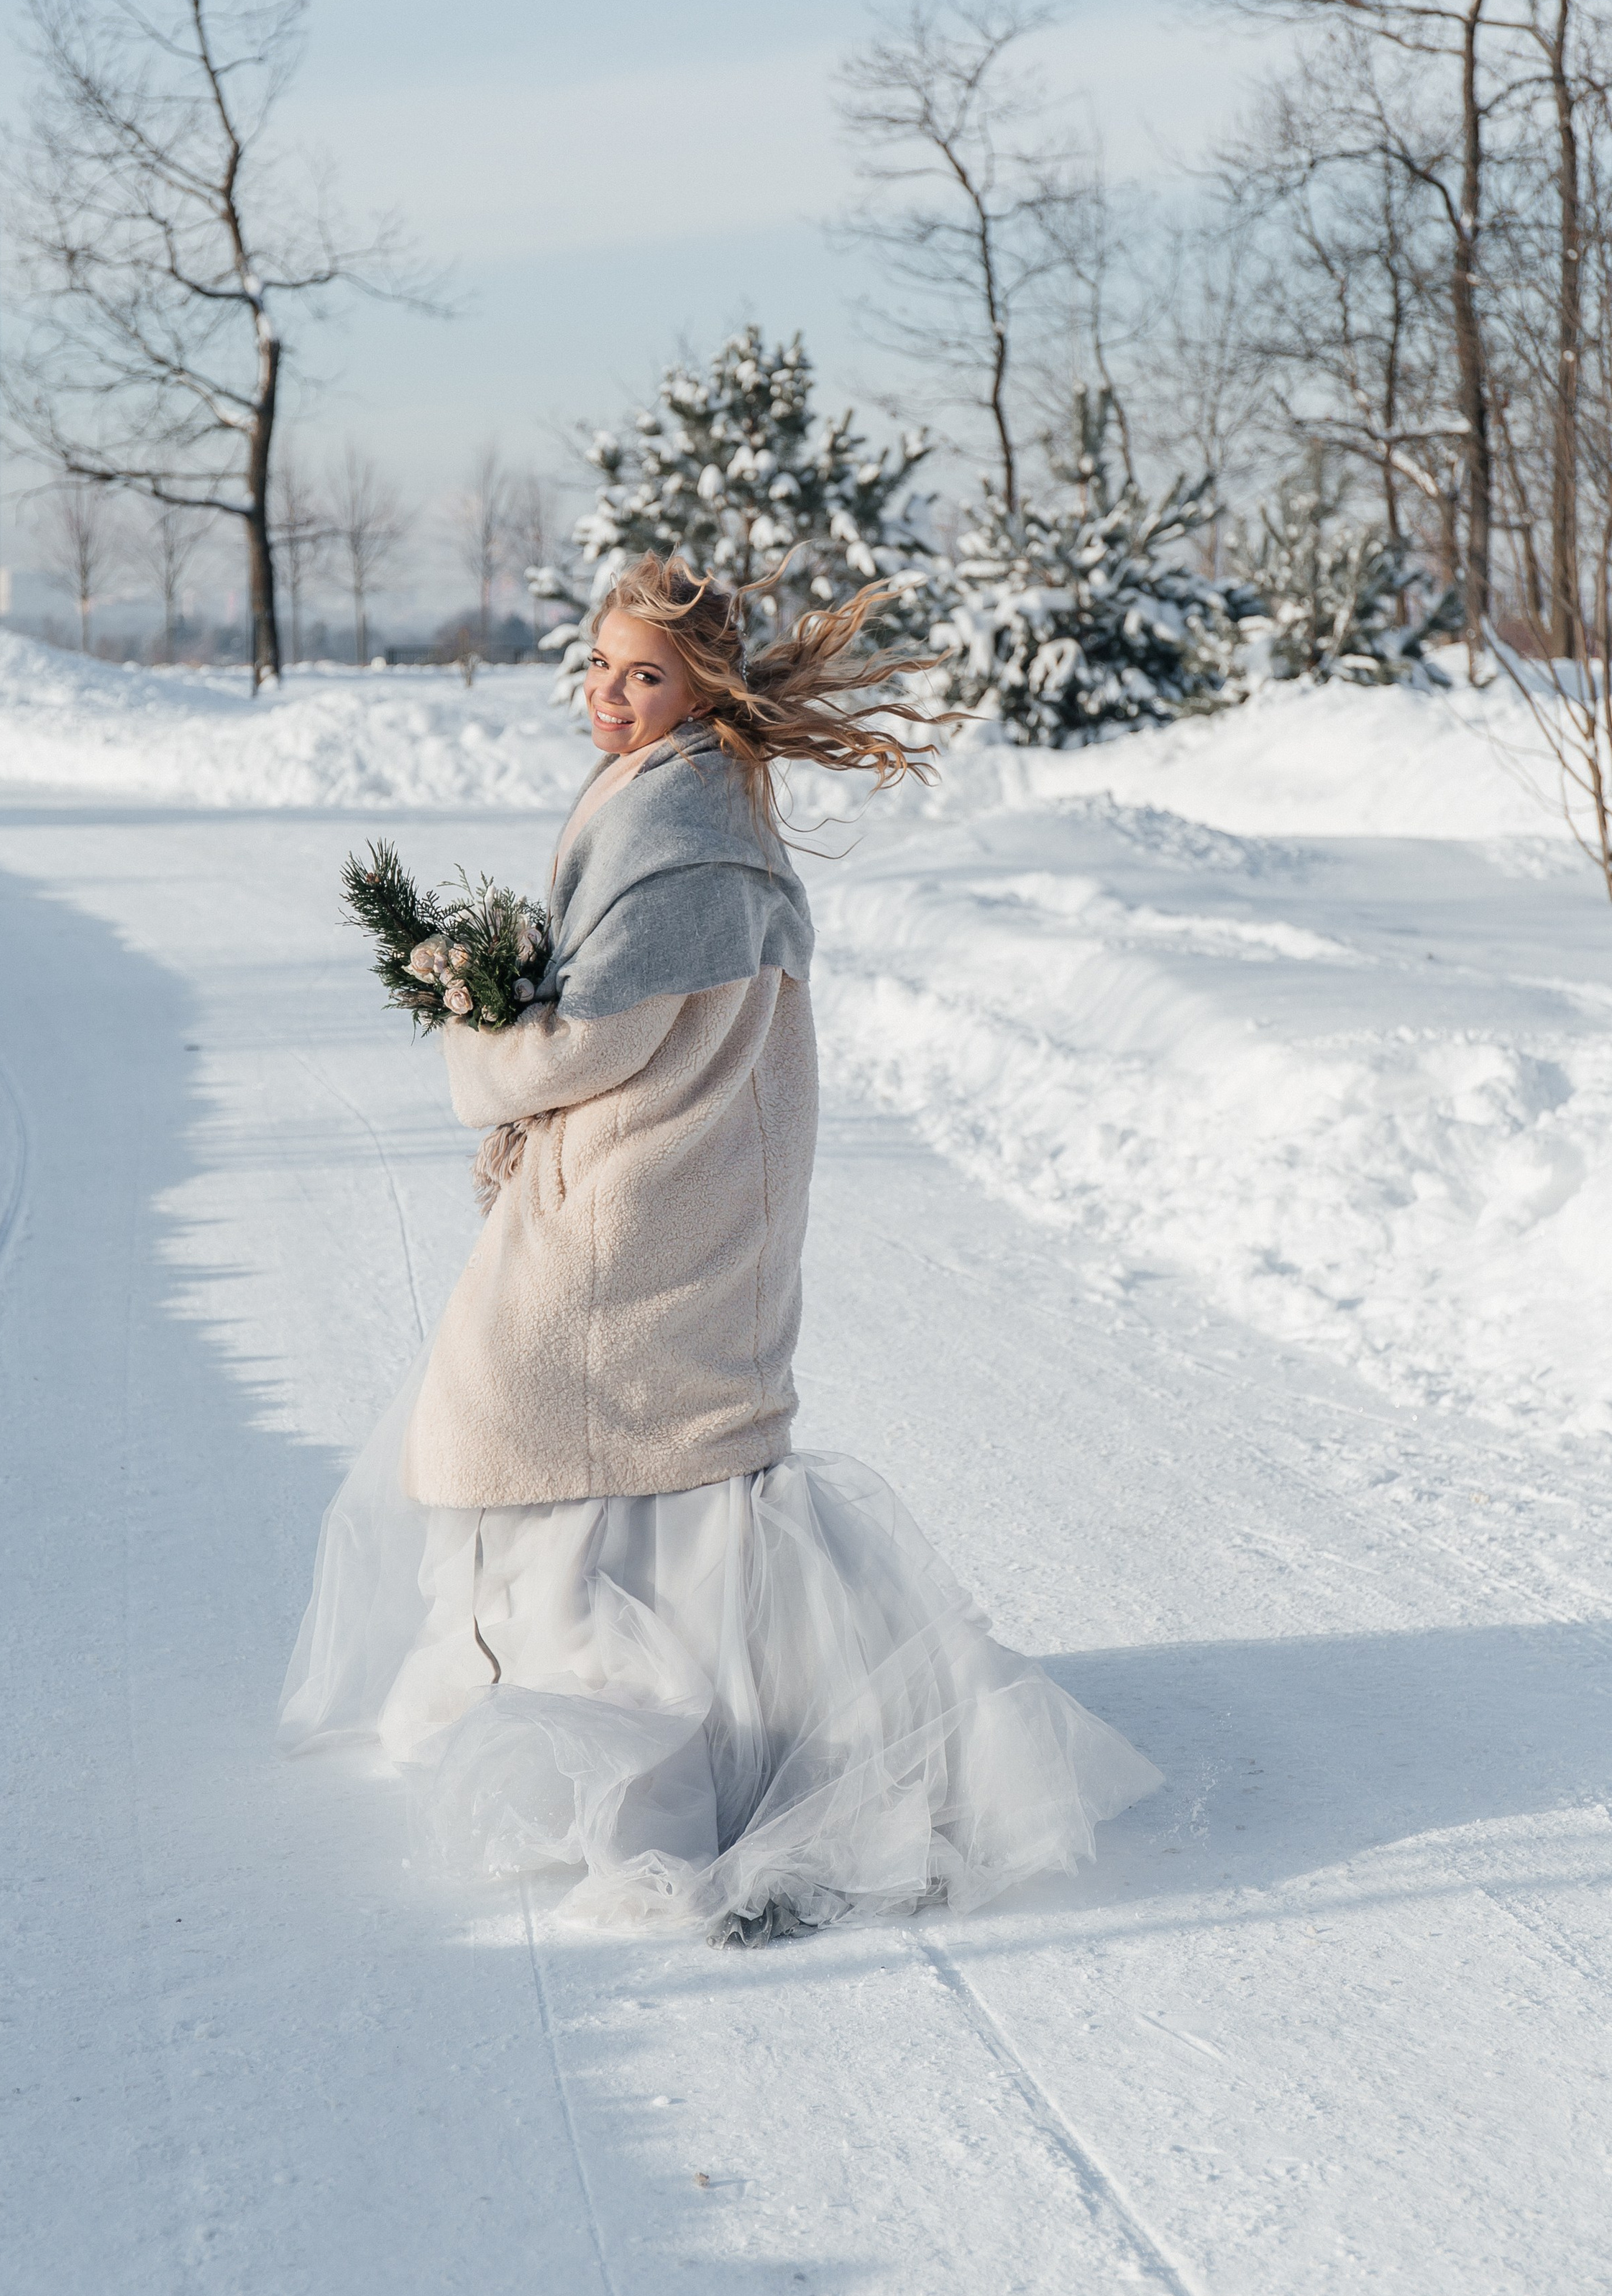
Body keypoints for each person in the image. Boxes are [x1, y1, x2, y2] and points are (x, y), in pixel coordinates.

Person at [280, 555, 1160, 1943]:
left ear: (702, 690)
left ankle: (630, 1745)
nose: (609, 696)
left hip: (643, 1195)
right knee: (660, 1442)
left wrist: (481, 1035)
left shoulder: (677, 821)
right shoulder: (701, 800)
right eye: (598, 666)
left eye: (645, 674)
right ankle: (692, 1694)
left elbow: (599, 1035)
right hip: (692, 1189)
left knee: (539, 1408)